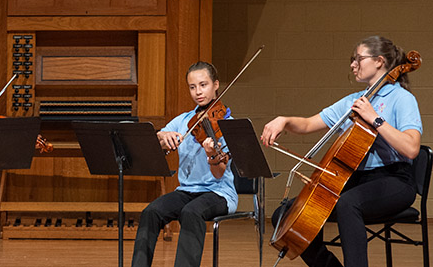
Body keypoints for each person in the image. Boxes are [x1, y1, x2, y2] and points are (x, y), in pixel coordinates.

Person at [261, 36, 421, 267]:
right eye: (352, 59)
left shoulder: (402, 99)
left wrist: (374, 119)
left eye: (358, 59)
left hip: (395, 180)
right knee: (284, 214)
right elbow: (307, 124)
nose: (352, 64)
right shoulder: (354, 101)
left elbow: (412, 148)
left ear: (378, 61)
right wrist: (284, 121)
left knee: (348, 203)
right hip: (356, 181)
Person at [132, 61, 238, 267]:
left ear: (216, 85)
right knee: (151, 212)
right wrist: (163, 135)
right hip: (187, 191)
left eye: (203, 85)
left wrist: (211, 155)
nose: (198, 92)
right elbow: (154, 141)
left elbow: (219, 174)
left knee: (191, 212)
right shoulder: (184, 120)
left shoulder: (227, 124)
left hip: (219, 193)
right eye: (192, 87)